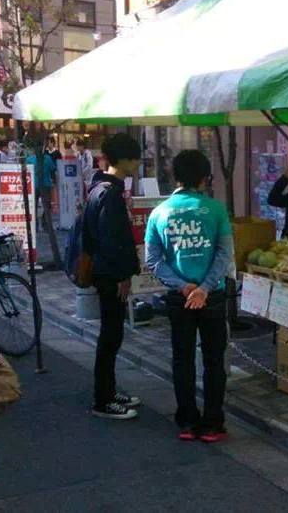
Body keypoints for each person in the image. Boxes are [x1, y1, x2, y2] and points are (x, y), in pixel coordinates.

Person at [145, 149, 233, 443]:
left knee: (182, 359)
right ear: (205, 178)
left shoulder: (159, 212)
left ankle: (186, 421)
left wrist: (183, 287)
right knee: (213, 361)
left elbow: (154, 260)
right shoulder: (217, 210)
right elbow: (224, 254)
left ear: (175, 176)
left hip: (178, 298)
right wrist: (204, 288)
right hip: (212, 297)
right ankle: (212, 423)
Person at [84, 133, 142, 419]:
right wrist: (123, 275)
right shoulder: (109, 193)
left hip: (104, 271)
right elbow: (111, 239)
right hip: (110, 274)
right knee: (111, 336)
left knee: (111, 335)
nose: (138, 164)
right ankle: (103, 400)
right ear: (125, 159)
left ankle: (108, 391)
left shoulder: (99, 187)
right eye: (135, 158)